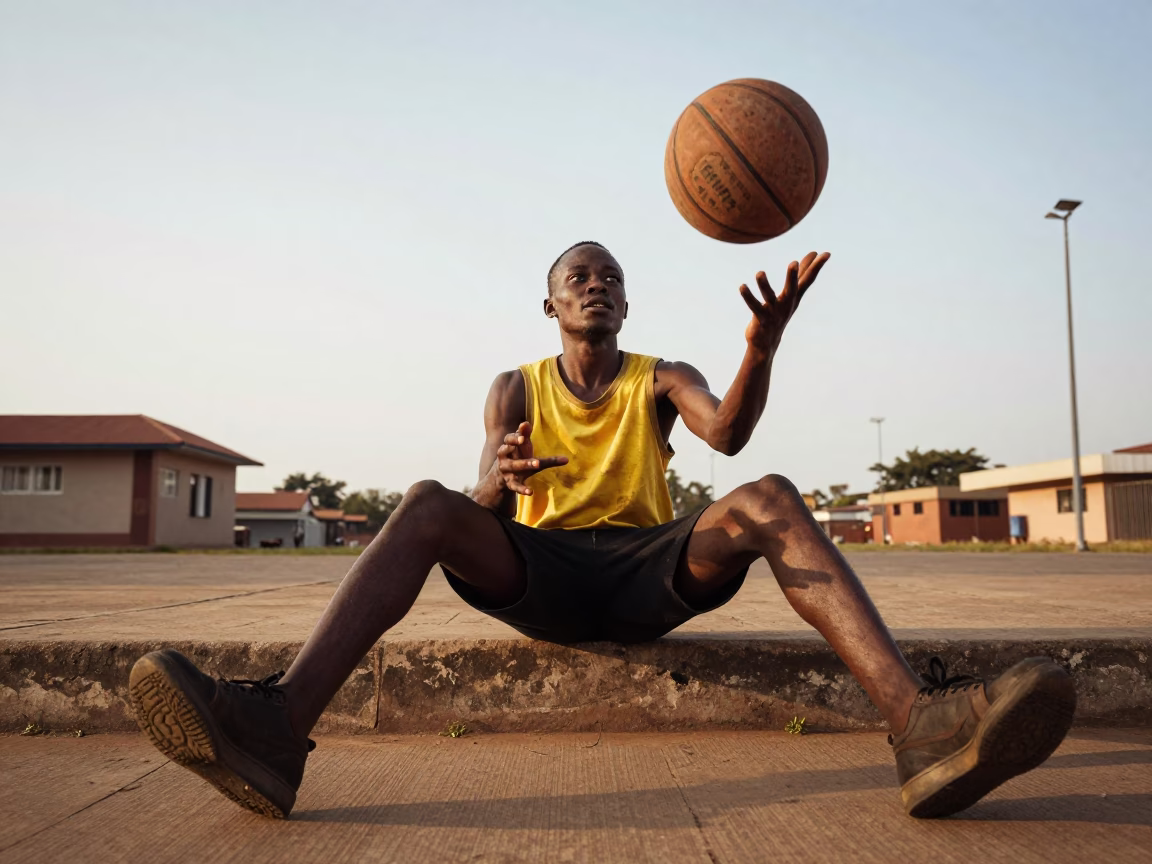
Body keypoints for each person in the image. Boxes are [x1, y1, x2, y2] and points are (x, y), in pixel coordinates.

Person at [129, 242, 1076, 820]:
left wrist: (761, 349)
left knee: (773, 491)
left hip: (643, 566)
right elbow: (482, 505)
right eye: (579, 277)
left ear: (627, 305)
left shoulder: (659, 375)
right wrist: (493, 482)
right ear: (551, 303)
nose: (597, 286)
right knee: (425, 501)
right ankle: (276, 726)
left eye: (611, 279)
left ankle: (920, 723)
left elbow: (729, 433)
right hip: (541, 571)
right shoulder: (516, 385)